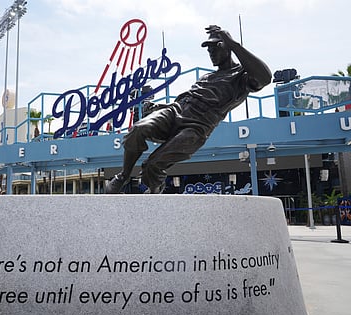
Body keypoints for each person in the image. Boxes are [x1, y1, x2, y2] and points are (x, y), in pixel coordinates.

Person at [105, 25, 272, 194]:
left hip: (197, 126)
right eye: (209, 49)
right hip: (176, 111)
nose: (211, 53)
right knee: (138, 130)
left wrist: (233, 43)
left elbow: (265, 77)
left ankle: (154, 190)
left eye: (216, 47)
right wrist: (159, 108)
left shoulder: (241, 78)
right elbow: (186, 98)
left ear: (228, 47)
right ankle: (123, 176)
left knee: (153, 165)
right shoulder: (207, 76)